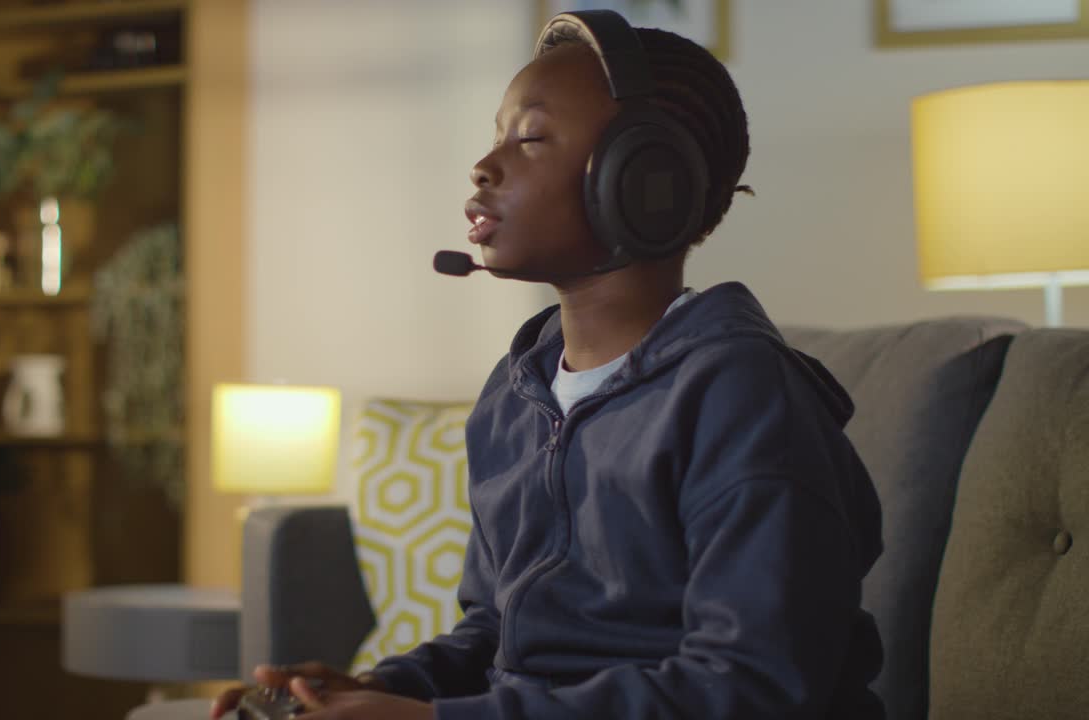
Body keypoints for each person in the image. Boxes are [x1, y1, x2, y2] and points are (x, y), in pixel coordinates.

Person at [213, 10, 884, 720]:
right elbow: (499, 633)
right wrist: (385, 689)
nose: (485, 165)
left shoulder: (738, 395)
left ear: (642, 179)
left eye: (530, 138)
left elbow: (749, 687)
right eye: (497, 135)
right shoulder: (514, 396)